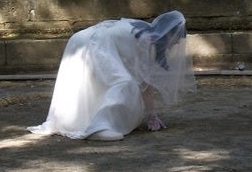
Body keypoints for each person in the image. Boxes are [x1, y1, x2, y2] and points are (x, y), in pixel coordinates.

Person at [29, 11, 195, 141]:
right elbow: (144, 82)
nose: (177, 43)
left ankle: (78, 121)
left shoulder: (144, 29)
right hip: (95, 43)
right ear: (167, 34)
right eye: (176, 38)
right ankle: (98, 127)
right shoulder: (147, 39)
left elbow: (143, 79)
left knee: (111, 81)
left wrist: (151, 114)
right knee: (124, 83)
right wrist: (151, 114)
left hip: (82, 39)